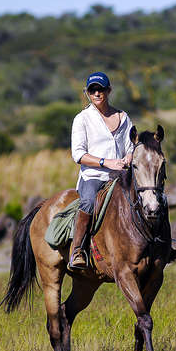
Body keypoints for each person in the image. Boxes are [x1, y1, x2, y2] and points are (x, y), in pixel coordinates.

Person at [70, 72, 134, 270]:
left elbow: (131, 145)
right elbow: (78, 154)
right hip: (94, 176)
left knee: (151, 195)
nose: (97, 93)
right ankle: (77, 250)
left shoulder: (123, 117)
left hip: (122, 175)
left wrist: (128, 158)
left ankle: (164, 243)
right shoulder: (82, 119)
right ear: (87, 93)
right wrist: (108, 162)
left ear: (109, 90)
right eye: (92, 90)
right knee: (88, 202)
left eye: (101, 89)